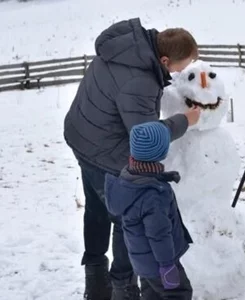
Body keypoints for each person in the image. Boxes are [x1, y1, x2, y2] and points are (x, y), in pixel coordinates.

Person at [63, 17, 200, 300]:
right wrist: (184, 120)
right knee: (128, 216)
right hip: (105, 152)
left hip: (82, 135)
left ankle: (96, 282)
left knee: (97, 210)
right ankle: (122, 286)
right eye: (180, 67)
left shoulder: (125, 48)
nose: (180, 72)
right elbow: (144, 136)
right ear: (164, 59)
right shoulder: (140, 81)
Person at [105, 121, 194, 300]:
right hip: (159, 263)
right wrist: (167, 266)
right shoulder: (154, 196)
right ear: (160, 152)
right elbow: (159, 234)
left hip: (142, 261)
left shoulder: (130, 178)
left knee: (152, 295)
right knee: (179, 294)